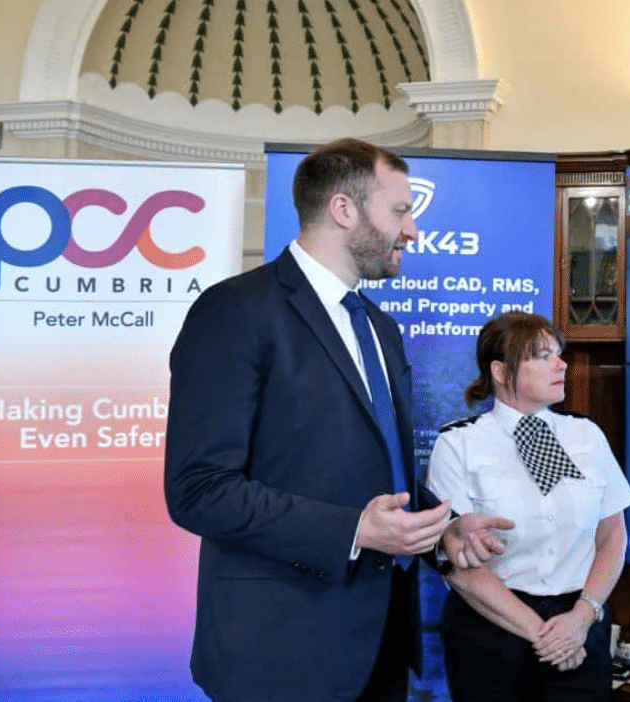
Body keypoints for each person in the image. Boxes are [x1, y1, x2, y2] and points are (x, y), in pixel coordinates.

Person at [164, 138, 512, 702]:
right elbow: (198, 491)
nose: (413, 231)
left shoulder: (380, 326)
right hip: (280, 655)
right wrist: (353, 531)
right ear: (343, 209)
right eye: (400, 210)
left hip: (380, 648)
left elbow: (378, 473)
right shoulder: (234, 312)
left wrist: (438, 529)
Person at [427, 312, 630, 702]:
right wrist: (547, 636)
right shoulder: (459, 444)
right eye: (542, 356)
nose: (561, 365)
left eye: (559, 354)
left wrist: (581, 619)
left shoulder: (586, 435)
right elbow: (457, 564)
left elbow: (612, 535)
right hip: (492, 632)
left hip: (579, 618)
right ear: (501, 372)